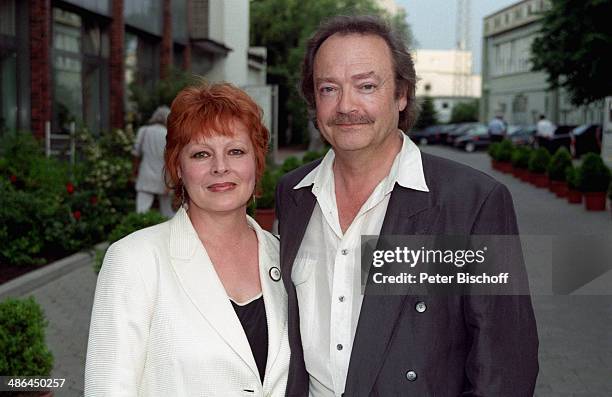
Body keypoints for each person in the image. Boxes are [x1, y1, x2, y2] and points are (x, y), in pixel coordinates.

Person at [275, 15, 539, 396]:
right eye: (328, 88)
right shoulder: (294, 194)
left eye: (366, 85)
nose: (346, 105)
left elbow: (504, 366)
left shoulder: (471, 202)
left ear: (401, 94)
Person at [85, 82, 290, 396]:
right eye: (201, 154)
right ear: (178, 167)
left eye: (235, 151)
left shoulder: (285, 256)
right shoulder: (134, 261)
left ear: (256, 162)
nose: (220, 167)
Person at [132, 105, 174, 217]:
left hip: (145, 176)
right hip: (163, 178)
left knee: (141, 211)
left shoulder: (144, 131)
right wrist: (170, 181)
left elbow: (136, 154)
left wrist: (134, 172)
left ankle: (140, 231)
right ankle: (173, 233)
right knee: (167, 213)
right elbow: (170, 159)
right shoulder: (169, 135)